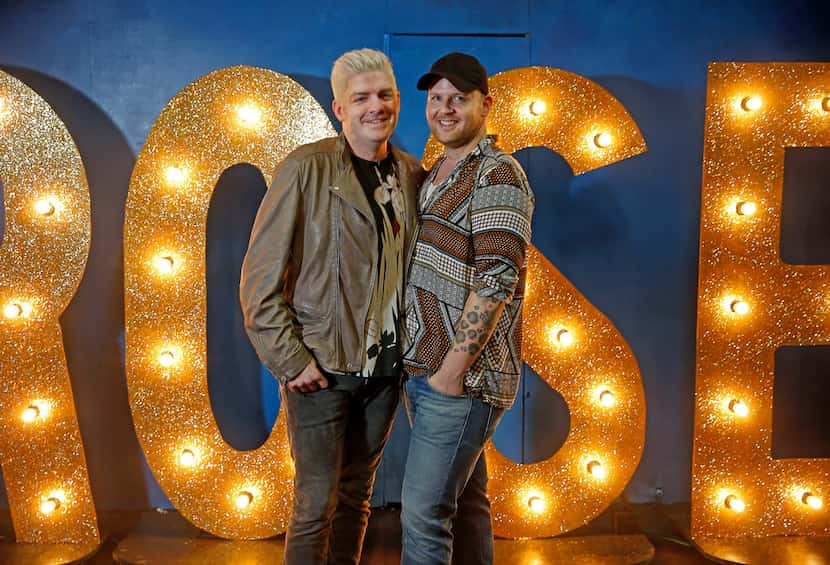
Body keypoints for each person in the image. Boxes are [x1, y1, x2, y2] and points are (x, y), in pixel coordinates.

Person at [240, 48, 422, 565]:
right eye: (360, 98)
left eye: (384, 95)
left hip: (385, 371)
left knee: (355, 498)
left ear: (397, 101)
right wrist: (292, 361)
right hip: (321, 370)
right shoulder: (306, 169)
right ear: (339, 109)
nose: (375, 107)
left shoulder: (410, 175)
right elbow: (258, 281)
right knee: (314, 504)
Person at [400, 52, 535, 565]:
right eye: (436, 99)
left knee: (422, 513)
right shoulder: (437, 173)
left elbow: (497, 280)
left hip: (463, 378)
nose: (445, 109)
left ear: (486, 104)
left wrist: (452, 373)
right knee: (466, 504)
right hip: (428, 371)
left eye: (459, 98)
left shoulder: (498, 174)